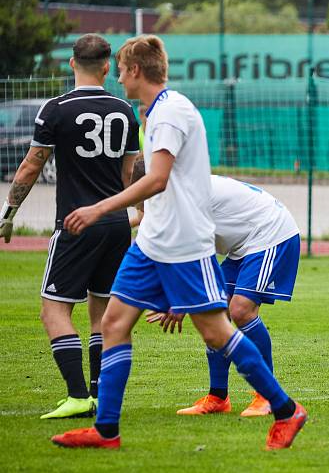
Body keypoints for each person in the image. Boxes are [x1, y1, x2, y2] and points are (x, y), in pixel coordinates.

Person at [50, 35, 306, 450]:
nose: (117, 77)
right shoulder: (154, 112)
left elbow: (157, 179)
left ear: (135, 71)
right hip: (152, 243)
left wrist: (100, 209)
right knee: (114, 323)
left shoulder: (169, 112)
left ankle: (283, 407)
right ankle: (106, 430)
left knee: (218, 330)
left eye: (120, 70)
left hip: (185, 244)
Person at [0, 34, 139, 419]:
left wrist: (9, 213)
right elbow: (132, 172)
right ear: (108, 66)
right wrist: (137, 213)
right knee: (103, 314)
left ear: (72, 64)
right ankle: (96, 393)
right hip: (116, 225)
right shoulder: (124, 110)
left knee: (54, 311)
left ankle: (77, 395)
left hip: (77, 223)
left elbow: (31, 165)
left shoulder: (57, 109)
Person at [130, 166, 301, 418]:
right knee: (215, 313)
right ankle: (218, 397)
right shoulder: (172, 191)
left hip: (270, 232)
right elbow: (148, 222)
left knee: (241, 310)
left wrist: (180, 302)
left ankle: (267, 396)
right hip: (244, 242)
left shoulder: (187, 198)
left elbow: (197, 257)